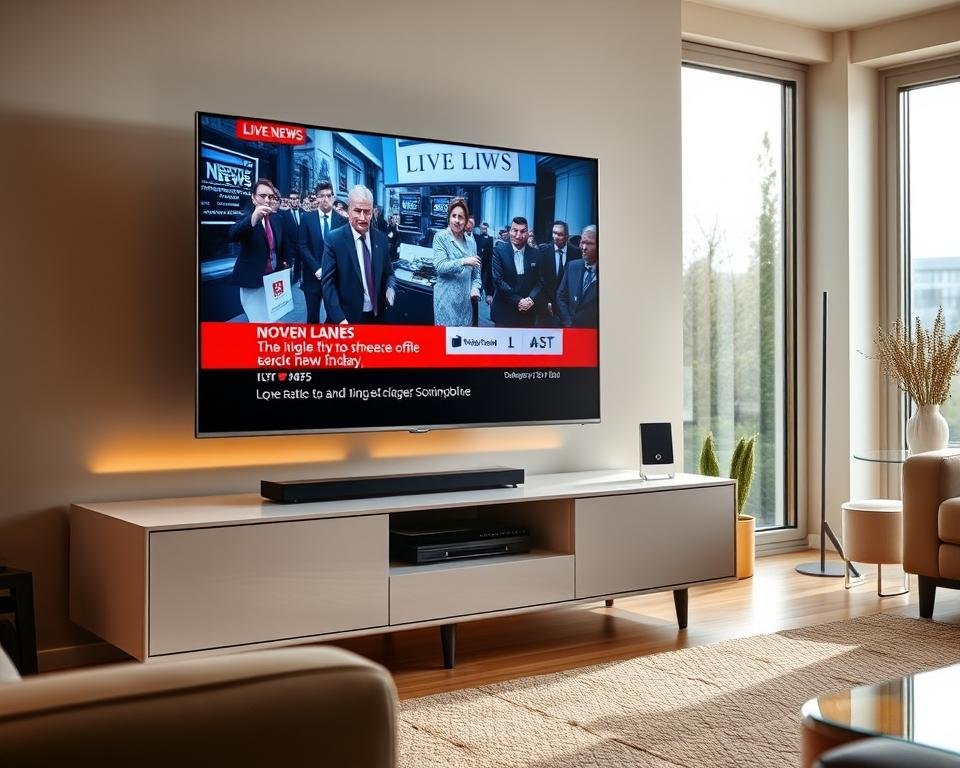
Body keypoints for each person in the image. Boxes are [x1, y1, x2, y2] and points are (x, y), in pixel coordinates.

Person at [321, 185, 396, 324]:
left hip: (376, 318)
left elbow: (389, 273)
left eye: (367, 212)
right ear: (349, 210)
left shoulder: (381, 239)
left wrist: (390, 288)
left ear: (373, 212)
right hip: (346, 319)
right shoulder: (334, 240)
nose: (363, 217)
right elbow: (328, 285)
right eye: (357, 211)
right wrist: (340, 319)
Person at [228, 178, 292, 322]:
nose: (267, 200)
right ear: (253, 198)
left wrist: (286, 266)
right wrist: (253, 218)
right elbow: (233, 235)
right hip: (253, 282)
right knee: (260, 322)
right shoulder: (245, 216)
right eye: (262, 196)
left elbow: (283, 246)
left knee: (272, 320)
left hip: (273, 280)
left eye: (270, 197)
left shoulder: (277, 219)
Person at [299, 180, 346, 323]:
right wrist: (316, 268)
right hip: (312, 278)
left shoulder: (341, 220)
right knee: (312, 318)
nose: (325, 199)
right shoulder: (306, 218)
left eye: (328, 195)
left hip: (333, 280)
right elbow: (302, 246)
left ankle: (326, 344)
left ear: (333, 197)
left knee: (333, 318)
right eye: (321, 195)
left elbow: (343, 250)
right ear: (317, 198)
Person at [431, 199, 481, 327]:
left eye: (461, 217)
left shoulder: (471, 242)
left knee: (463, 343)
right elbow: (440, 266)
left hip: (465, 304)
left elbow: (476, 274)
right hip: (445, 302)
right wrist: (464, 261)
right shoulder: (440, 237)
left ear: (465, 221)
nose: (457, 220)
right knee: (445, 343)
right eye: (454, 216)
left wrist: (475, 288)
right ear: (449, 218)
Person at [491, 216, 542, 327]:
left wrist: (531, 299)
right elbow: (498, 281)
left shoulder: (536, 254)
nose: (518, 235)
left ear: (527, 233)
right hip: (504, 312)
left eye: (523, 231)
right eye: (515, 230)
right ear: (510, 231)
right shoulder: (498, 251)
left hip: (528, 313)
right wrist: (518, 301)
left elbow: (540, 281)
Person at [538, 219, 581, 326]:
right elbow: (538, 279)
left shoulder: (576, 253)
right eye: (554, 233)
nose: (556, 237)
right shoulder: (542, 251)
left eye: (560, 234)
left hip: (568, 306)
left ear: (567, 236)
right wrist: (545, 301)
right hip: (547, 305)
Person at [556, 225, 598, 328]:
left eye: (589, 243)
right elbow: (561, 297)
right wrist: (568, 323)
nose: (584, 248)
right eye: (582, 242)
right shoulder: (572, 266)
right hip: (571, 330)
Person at [284, 191, 304, 284]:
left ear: (299, 200)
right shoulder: (284, 215)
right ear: (289, 200)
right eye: (291, 199)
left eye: (295, 198)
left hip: (301, 244)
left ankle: (297, 278)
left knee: (299, 264)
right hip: (290, 245)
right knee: (290, 265)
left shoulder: (303, 213)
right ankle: (289, 282)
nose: (293, 201)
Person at [474, 221, 495, 307]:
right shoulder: (476, 237)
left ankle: (486, 292)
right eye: (482, 228)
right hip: (476, 261)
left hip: (486, 262)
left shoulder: (490, 239)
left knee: (486, 276)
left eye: (485, 228)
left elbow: (490, 253)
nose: (483, 230)